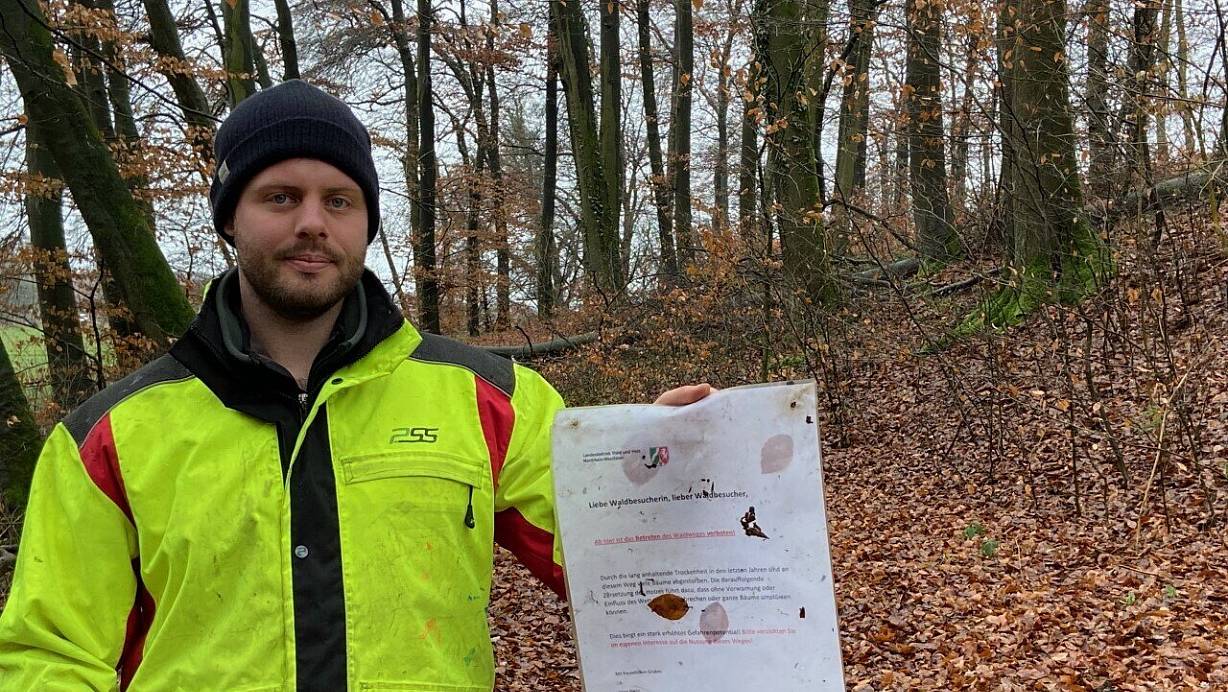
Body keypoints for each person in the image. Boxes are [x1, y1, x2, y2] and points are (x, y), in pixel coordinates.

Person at [0, 80, 710, 691]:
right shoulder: (105, 439)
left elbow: (615, 560)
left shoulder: (490, 399)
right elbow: (52, 656)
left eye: (339, 201)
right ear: (229, 218)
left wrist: (654, 468)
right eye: (280, 196)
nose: (313, 222)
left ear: (367, 222)